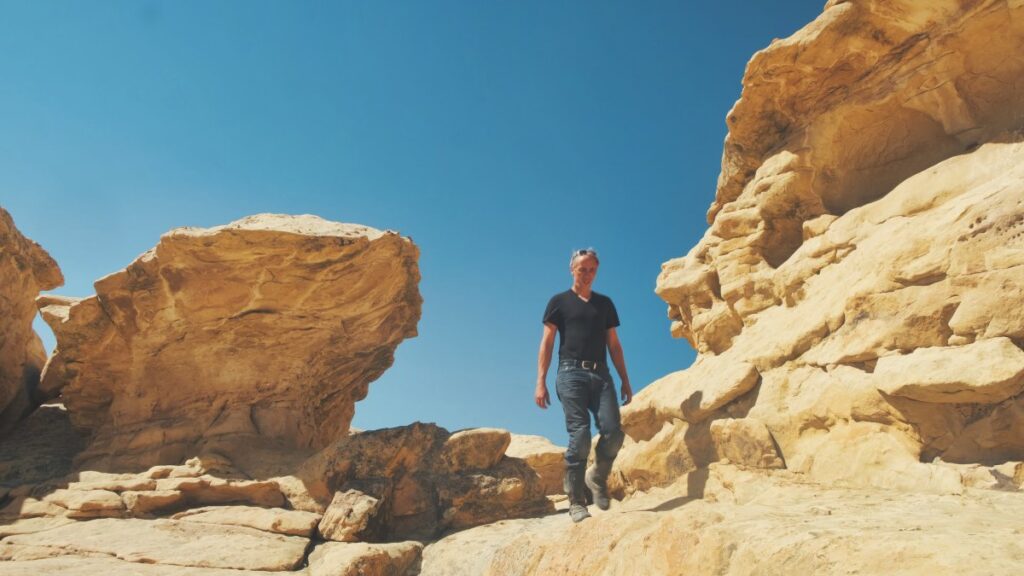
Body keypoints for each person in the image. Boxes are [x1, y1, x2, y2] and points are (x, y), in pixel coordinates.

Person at [535, 247, 632, 523]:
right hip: (570, 374)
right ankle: (576, 502)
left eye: (592, 269)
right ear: (572, 269)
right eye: (582, 269)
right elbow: (547, 341)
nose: (587, 274)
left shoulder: (605, 304)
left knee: (613, 432)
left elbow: (613, 344)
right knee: (579, 436)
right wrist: (540, 380)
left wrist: (625, 379)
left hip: (601, 375)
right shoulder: (559, 301)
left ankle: (597, 477)